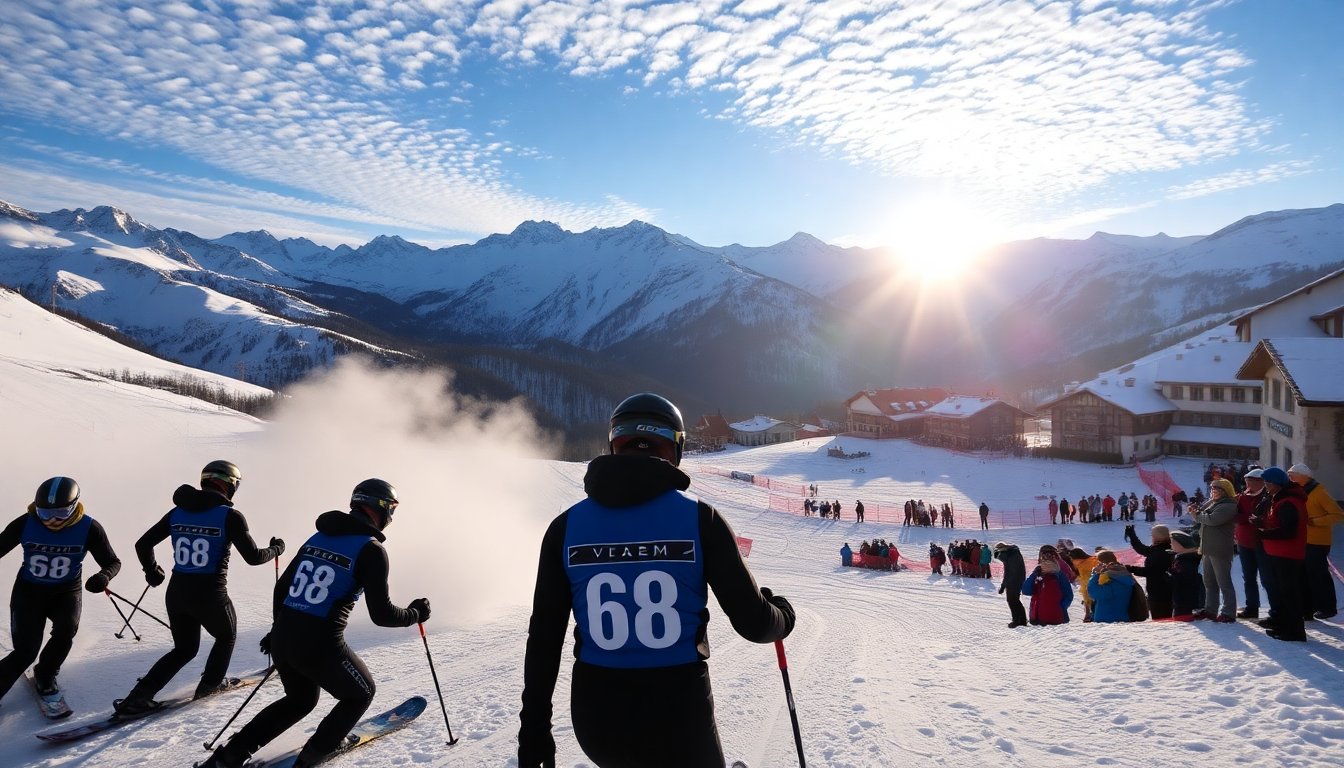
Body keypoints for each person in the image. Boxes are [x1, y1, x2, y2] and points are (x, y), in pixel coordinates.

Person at [517, 393, 795, 768]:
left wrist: (534, 729)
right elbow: (756, 625)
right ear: (675, 449)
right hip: (679, 717)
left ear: (614, 446)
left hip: (598, 719)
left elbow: (545, 637)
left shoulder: (565, 528)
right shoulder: (701, 520)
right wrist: (783, 614)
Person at [201, 479, 427, 767]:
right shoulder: (371, 549)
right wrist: (415, 614)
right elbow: (381, 615)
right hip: (321, 643)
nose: (391, 516)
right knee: (361, 694)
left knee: (300, 700)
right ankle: (315, 754)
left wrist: (277, 629)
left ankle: (228, 757)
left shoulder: (318, 537)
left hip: (284, 636)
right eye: (391, 508)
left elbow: (281, 588)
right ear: (381, 508)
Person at [116, 460, 284, 715]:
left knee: (184, 649)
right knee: (226, 637)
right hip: (210, 594)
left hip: (177, 591)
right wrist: (277, 549)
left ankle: (137, 698)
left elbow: (142, 544)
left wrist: (151, 570)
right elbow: (253, 557)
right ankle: (209, 686)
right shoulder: (230, 516)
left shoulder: (177, 512)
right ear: (231, 486)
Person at [0, 477, 121, 701]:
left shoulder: (90, 528)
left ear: (75, 505)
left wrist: (103, 576)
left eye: (62, 513)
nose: (52, 521)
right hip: (28, 592)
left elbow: (113, 562)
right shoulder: (25, 522)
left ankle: (46, 674)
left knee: (65, 632)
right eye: (44, 513)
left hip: (65, 592)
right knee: (25, 652)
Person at [1255, 467, 1308, 641]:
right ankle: (1284, 626)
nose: (1266, 487)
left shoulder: (1288, 503)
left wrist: (1263, 532)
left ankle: (1295, 631)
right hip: (1279, 553)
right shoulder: (1279, 499)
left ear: (1277, 484)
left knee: (1289, 593)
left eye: (1267, 483)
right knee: (1283, 592)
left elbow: (1288, 531)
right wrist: (1261, 522)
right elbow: (1276, 523)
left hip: (1288, 554)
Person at [1287, 463, 1344, 619]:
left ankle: (1328, 607)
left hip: (1318, 541)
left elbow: (1338, 514)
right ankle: (1309, 608)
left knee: (1318, 575)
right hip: (1303, 539)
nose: (1289, 477)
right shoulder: (1299, 491)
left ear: (1304, 476)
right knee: (1304, 574)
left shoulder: (1319, 492)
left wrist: (1315, 521)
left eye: (1292, 474)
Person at [1191, 478, 1238, 621]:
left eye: (1217, 489)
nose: (1214, 491)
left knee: (1224, 582)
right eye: (1212, 489)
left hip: (1220, 548)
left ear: (1225, 491)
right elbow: (1204, 515)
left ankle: (1228, 612)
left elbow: (1212, 520)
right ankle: (1210, 609)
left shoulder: (1229, 506)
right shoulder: (1214, 503)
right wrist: (1197, 512)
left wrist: (1197, 515)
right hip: (1208, 548)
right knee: (1209, 582)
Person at [1233, 468, 1271, 619]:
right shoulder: (1242, 496)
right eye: (1247, 481)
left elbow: (1264, 518)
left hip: (1261, 542)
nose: (1248, 484)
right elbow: (1236, 516)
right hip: (1244, 542)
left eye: (1251, 481)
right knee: (1248, 577)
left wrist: (1246, 517)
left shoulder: (1267, 496)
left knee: (1267, 578)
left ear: (1260, 482)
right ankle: (1252, 607)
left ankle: (1274, 610)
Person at [1124, 524, 1174, 619]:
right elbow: (1142, 549)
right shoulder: (1159, 547)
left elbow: (1149, 571)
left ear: (1157, 536)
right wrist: (1132, 536)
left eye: (1153, 535)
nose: (1151, 537)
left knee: (1162, 619)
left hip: (1161, 592)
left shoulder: (1161, 552)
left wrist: (1130, 568)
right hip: (1159, 590)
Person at [1021, 545, 1072, 625]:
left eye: (1050, 557)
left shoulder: (1059, 574)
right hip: (1038, 617)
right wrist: (1034, 575)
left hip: (1056, 618)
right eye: (1044, 558)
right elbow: (1026, 590)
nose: (1047, 560)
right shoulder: (1038, 574)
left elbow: (1068, 595)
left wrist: (1060, 608)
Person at [1088, 551, 1136, 623]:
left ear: (1104, 563)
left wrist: (1094, 574)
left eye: (1098, 563)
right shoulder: (1124, 574)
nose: (1096, 565)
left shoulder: (1109, 578)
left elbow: (1094, 592)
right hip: (1123, 618)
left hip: (1107, 620)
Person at [1167, 530, 1203, 620]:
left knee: (1181, 621)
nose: (1170, 545)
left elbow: (1181, 580)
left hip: (1184, 602)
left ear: (1180, 545)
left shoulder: (1184, 562)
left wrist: (1168, 575)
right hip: (1186, 600)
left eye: (1172, 542)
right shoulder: (1187, 559)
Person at [993, 542, 1027, 628]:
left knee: (1012, 601)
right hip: (1017, 580)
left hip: (1014, 581)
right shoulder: (1012, 553)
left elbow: (1008, 573)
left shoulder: (1010, 557)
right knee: (1015, 600)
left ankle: (1017, 621)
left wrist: (1003, 586)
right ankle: (1021, 620)